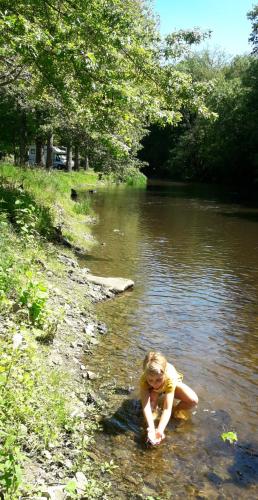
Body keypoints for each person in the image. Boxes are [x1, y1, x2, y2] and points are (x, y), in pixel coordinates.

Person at [140, 351, 198, 445]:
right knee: (151, 410)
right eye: (151, 380)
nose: (154, 384)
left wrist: (160, 430)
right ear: (146, 376)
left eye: (158, 380)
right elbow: (145, 407)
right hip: (155, 388)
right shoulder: (144, 380)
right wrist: (151, 427)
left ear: (164, 374)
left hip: (168, 384)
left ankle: (175, 410)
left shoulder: (169, 379)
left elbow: (167, 409)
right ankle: (155, 406)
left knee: (193, 400)